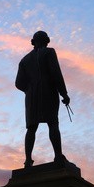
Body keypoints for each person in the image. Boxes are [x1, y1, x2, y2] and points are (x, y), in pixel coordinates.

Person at [15, 30, 70, 168]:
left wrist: (29, 90)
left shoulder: (24, 60)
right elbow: (56, 73)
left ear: (33, 42)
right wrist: (64, 93)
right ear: (46, 41)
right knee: (53, 123)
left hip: (31, 96)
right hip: (48, 92)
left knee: (31, 128)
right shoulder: (49, 52)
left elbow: (18, 83)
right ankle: (58, 156)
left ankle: (28, 160)